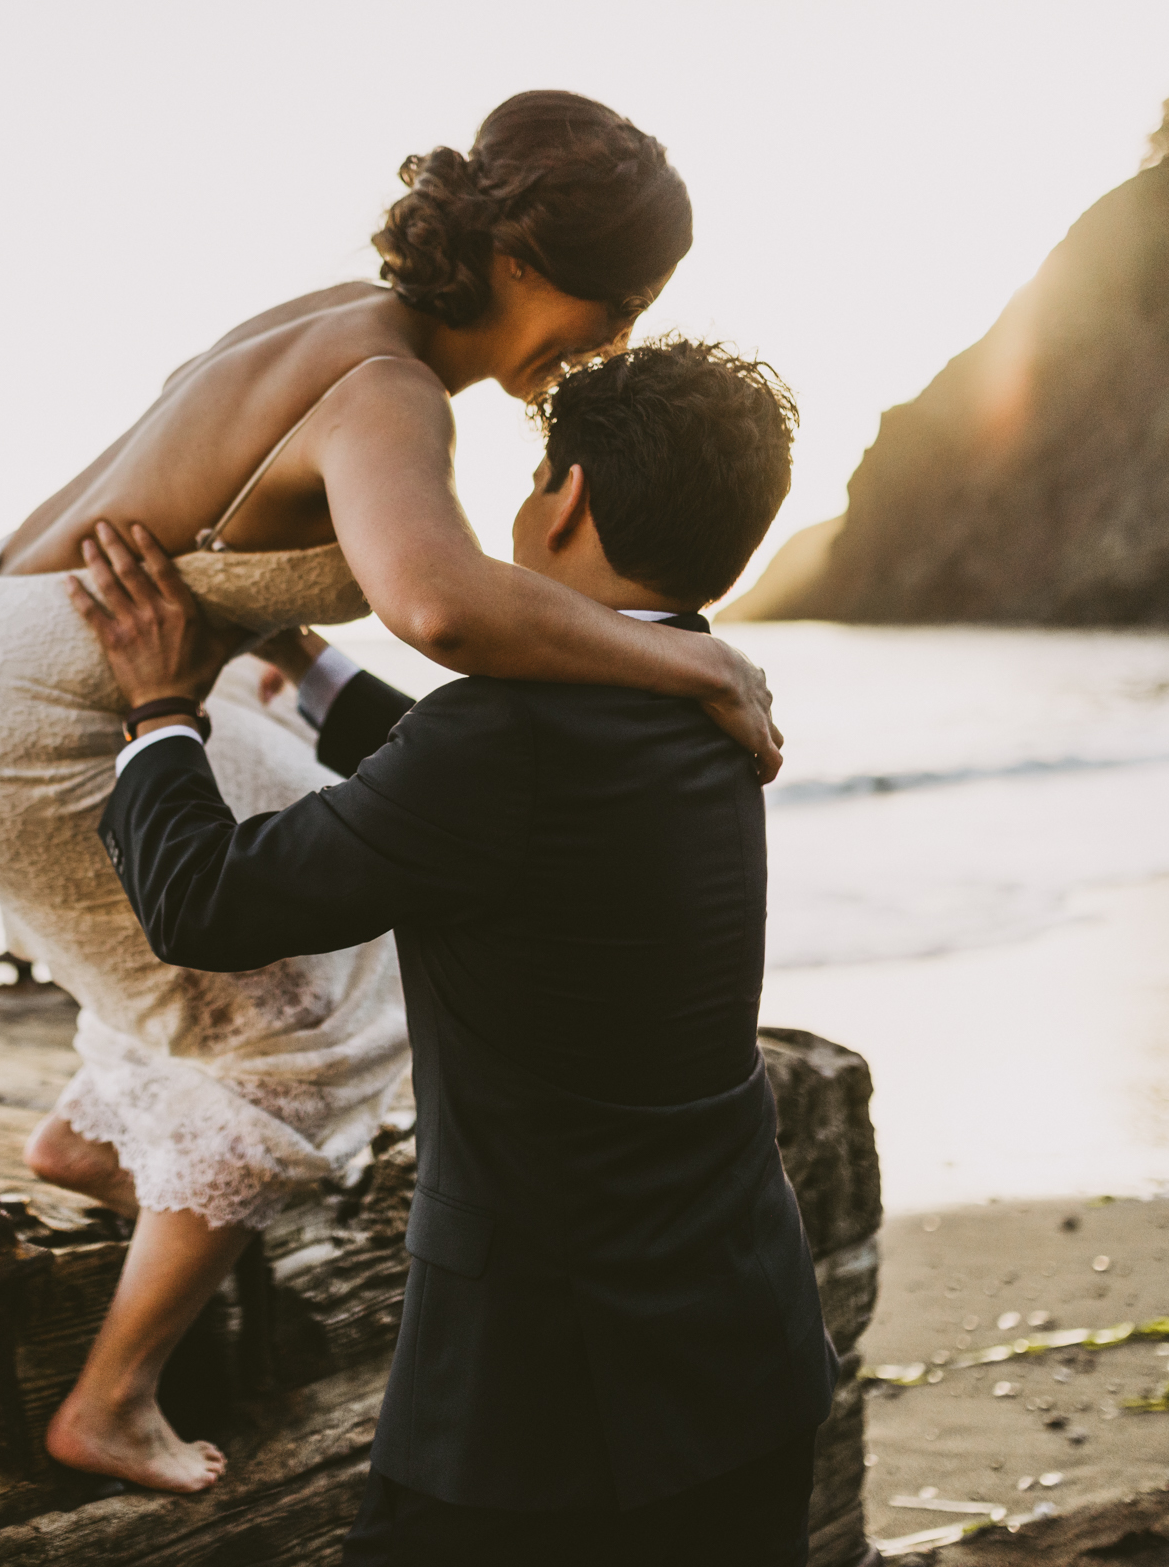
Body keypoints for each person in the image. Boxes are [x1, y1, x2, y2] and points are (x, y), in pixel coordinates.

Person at [0, 91, 785, 1494]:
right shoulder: (394, 394)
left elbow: (327, 615)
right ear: (531, 266)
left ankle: (104, 1136)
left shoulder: (350, 326)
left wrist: (275, 650)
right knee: (331, 1023)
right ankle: (110, 1398)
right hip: (49, 710)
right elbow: (437, 607)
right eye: (618, 306)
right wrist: (700, 672)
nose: (605, 346)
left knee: (331, 867)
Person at [75, 338, 837, 1566]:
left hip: (538, 1388)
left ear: (566, 495)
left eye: (538, 470)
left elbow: (203, 904)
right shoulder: (705, 697)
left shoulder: (510, 738)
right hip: (745, 1337)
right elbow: (463, 772)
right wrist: (303, 655)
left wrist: (160, 711)